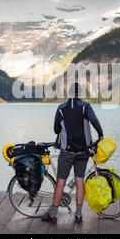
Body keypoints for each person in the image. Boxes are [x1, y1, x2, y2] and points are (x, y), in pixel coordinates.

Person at [41, 83, 104, 223]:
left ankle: (53, 215)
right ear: (80, 94)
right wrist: (100, 134)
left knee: (61, 182)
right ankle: (79, 214)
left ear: (69, 94)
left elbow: (55, 129)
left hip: (67, 151)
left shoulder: (61, 108)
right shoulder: (85, 106)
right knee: (79, 180)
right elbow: (94, 121)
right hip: (83, 150)